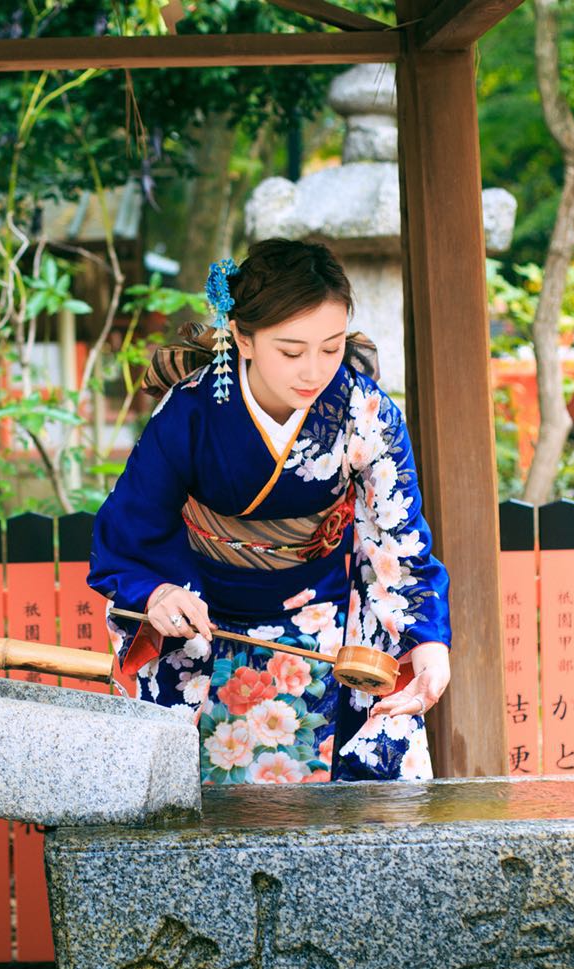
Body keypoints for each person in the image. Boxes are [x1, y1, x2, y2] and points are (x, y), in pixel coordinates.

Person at [88, 239, 452, 783]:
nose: (313, 371)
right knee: (178, 803)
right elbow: (128, 531)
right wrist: (159, 593)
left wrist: (429, 641)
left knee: (372, 778)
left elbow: (397, 538)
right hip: (206, 621)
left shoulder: (364, 410)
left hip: (329, 621)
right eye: (291, 351)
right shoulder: (190, 412)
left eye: (331, 348)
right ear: (243, 337)